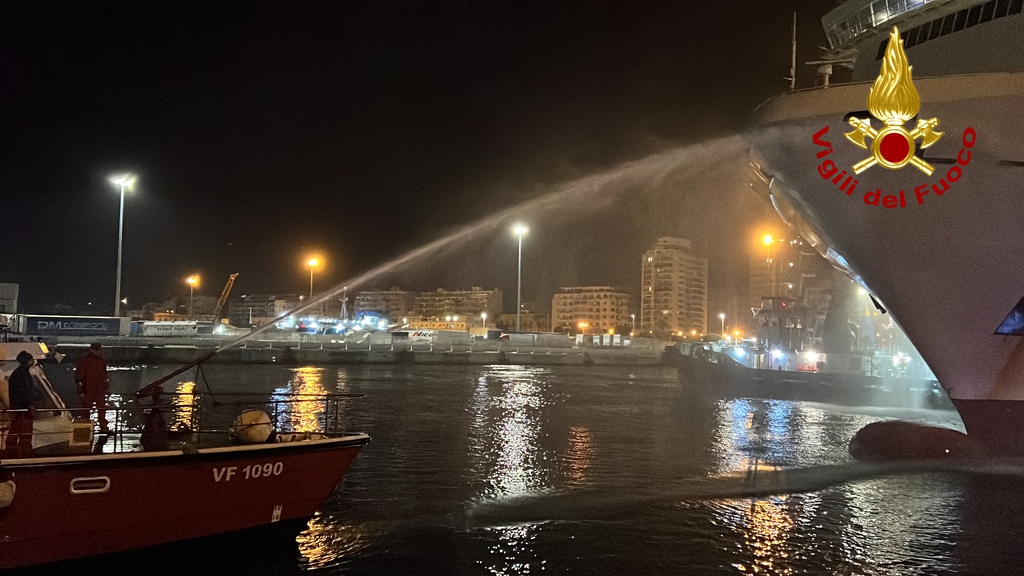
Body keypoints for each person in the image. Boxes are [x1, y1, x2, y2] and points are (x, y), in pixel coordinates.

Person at [6, 350, 41, 457]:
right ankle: (25, 453)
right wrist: (30, 405)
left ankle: (11, 451)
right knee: (25, 433)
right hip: (23, 410)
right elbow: (23, 392)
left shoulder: (16, 374)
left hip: (17, 408)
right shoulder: (23, 375)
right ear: (28, 361)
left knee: (15, 431)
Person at [76, 343, 110, 431]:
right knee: (90, 409)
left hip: (96, 389)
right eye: (96, 350)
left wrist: (106, 388)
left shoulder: (87, 361)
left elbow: (104, 376)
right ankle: (90, 427)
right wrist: (81, 391)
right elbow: (79, 377)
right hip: (90, 389)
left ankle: (98, 426)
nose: (98, 352)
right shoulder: (97, 361)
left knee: (97, 408)